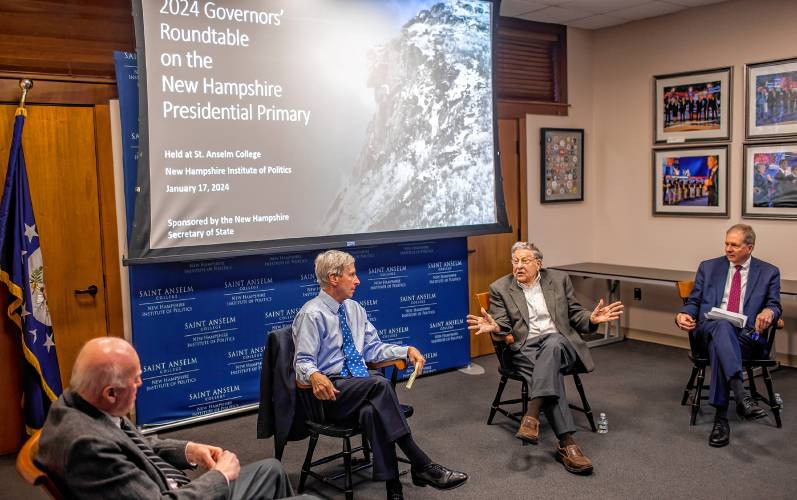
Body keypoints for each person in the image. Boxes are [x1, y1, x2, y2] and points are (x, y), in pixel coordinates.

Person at [293, 250, 467, 500]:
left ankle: (394, 490)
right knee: (380, 384)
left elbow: (373, 349)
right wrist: (314, 375)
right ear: (333, 278)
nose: (358, 280)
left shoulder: (354, 309)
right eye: (352, 275)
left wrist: (406, 350)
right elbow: (302, 362)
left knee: (373, 411)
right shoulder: (312, 314)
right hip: (331, 395)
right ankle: (421, 463)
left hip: (360, 389)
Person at [37, 337, 299, 500]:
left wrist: (190, 451)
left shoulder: (84, 400)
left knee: (271, 470)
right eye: (136, 380)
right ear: (111, 393)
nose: (141, 384)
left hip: (169, 485)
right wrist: (219, 477)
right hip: (172, 493)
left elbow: (139, 444)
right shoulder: (89, 447)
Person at [466, 242, 623, 475]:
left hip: (561, 346)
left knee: (553, 342)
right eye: (515, 261)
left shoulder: (558, 280)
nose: (519, 266)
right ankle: (567, 444)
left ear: (538, 263)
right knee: (549, 368)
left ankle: (532, 415)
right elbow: (503, 324)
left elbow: (575, 315)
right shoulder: (500, 287)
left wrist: (591, 318)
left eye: (525, 261)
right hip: (524, 349)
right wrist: (496, 326)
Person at [675, 224, 781, 448]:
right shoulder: (709, 267)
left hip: (747, 336)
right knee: (722, 326)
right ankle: (741, 395)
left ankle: (721, 419)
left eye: (734, 245)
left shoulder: (769, 272)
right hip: (708, 330)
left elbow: (774, 304)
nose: (728, 249)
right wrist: (683, 315)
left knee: (720, 346)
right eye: (726, 243)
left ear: (749, 248)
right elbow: (694, 302)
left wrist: (769, 312)